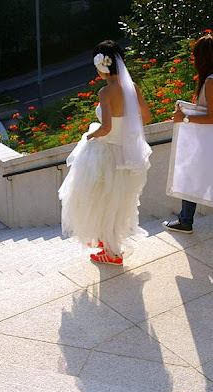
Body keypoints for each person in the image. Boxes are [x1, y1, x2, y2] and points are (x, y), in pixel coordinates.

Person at [59, 40, 152, 265]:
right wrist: (127, 127)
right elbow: (147, 117)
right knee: (116, 200)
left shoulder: (105, 92)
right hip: (125, 153)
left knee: (100, 199)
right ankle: (107, 242)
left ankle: (113, 253)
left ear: (101, 66)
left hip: (105, 153)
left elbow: (106, 127)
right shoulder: (133, 88)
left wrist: (91, 135)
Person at [163, 33, 213, 234]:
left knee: (192, 175)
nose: (193, 61)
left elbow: (212, 116)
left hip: (207, 140)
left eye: (195, 57)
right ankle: (185, 219)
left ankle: (185, 221)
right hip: (206, 140)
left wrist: (184, 117)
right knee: (194, 174)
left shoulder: (210, 80)